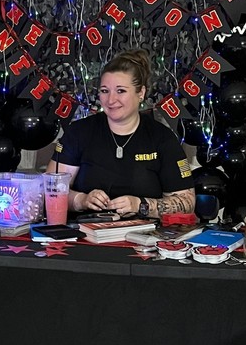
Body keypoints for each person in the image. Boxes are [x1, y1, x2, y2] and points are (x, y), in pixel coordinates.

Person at [48, 49, 195, 219]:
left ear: (141, 93)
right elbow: (50, 190)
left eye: (121, 91)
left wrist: (141, 205)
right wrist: (81, 200)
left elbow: (188, 202)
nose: (111, 100)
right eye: (104, 91)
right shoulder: (78, 132)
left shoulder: (162, 138)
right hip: (85, 236)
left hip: (143, 239)